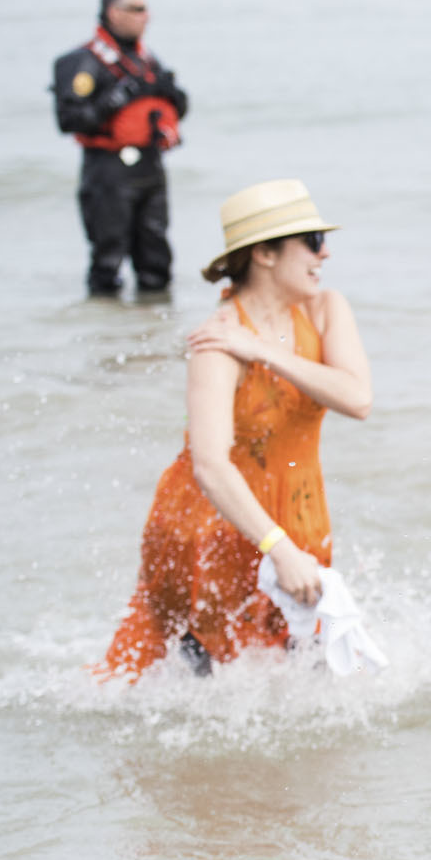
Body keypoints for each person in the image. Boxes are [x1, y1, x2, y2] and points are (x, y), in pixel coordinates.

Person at [98, 181, 370, 680]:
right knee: (205, 697)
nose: (325, 252)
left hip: (298, 519)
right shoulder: (215, 342)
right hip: (212, 531)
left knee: (302, 685)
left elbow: (358, 399)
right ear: (265, 253)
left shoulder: (325, 308)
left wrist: (264, 351)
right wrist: (279, 548)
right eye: (311, 240)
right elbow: (209, 464)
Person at [51, 0, 188, 296]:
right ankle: (106, 336)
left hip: (150, 168)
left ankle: (154, 332)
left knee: (157, 261)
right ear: (114, 12)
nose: (146, 16)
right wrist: (113, 100)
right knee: (107, 260)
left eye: (146, 9)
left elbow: (175, 109)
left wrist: (174, 96)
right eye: (138, 9)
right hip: (108, 170)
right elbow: (68, 120)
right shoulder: (83, 62)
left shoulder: (148, 60)